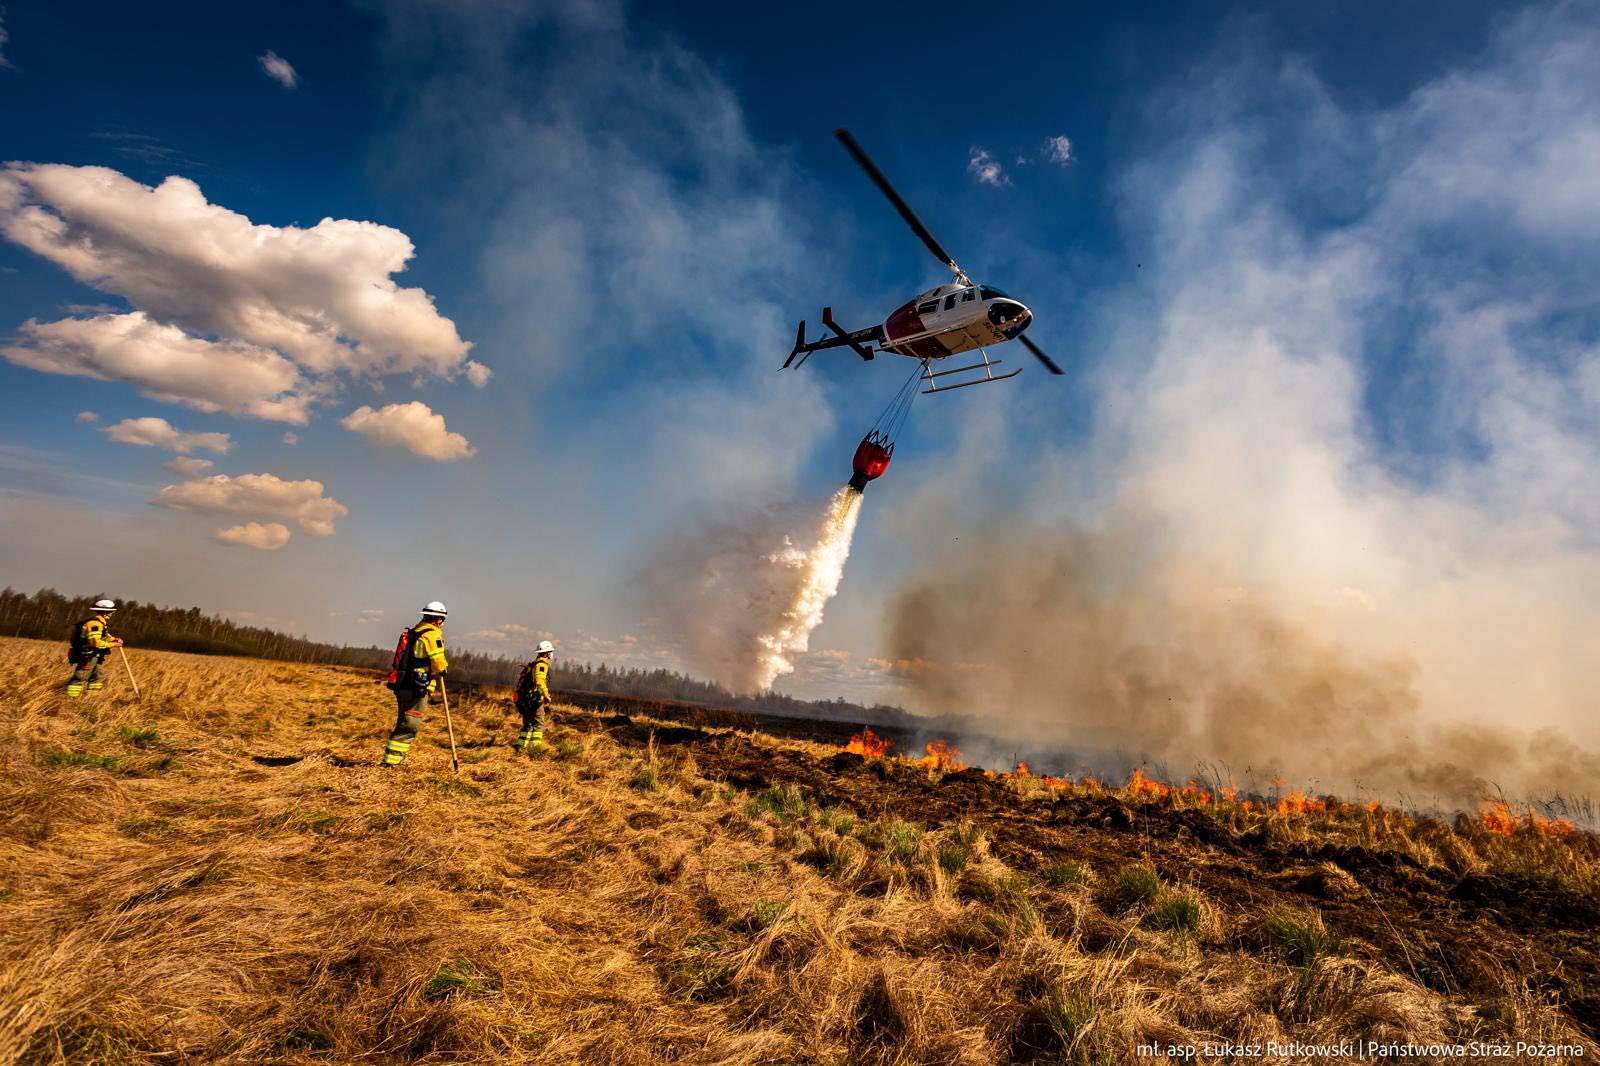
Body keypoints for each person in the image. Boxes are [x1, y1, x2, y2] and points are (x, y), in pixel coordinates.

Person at [380, 601, 450, 768]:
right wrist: (443, 670)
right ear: (439, 620)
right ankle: (391, 763)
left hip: (403, 683)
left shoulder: (414, 632)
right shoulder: (432, 635)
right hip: (416, 687)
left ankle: (392, 761)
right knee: (409, 724)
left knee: (405, 720)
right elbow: (438, 661)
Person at [66, 599, 124, 698]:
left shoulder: (100, 623)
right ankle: (71, 698)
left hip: (96, 655)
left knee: (98, 677)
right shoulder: (94, 624)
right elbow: (96, 642)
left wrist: (114, 639)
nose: (112, 613)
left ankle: (91, 698)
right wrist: (113, 645)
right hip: (88, 655)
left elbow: (104, 635)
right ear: (105, 612)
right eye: (111, 611)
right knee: (81, 676)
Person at [513, 640, 555, 753]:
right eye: (550, 651)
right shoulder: (542, 664)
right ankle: (534, 749)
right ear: (546, 653)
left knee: (527, 724)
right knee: (538, 724)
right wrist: (546, 696)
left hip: (527, 699)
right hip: (535, 700)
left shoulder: (534, 664)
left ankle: (520, 747)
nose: (551, 654)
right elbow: (540, 681)